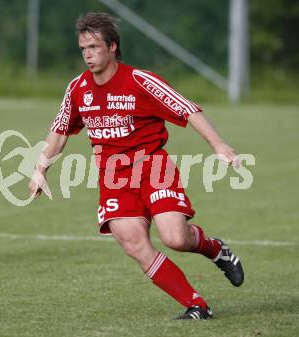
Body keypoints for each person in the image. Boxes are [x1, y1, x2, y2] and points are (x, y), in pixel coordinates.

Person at [29, 12, 244, 320]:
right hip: (113, 178)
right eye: (83, 49)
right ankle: (197, 304)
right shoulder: (78, 88)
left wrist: (218, 145)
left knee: (175, 238)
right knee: (133, 244)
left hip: (152, 168)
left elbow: (187, 109)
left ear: (113, 46)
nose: (88, 55)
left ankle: (215, 249)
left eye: (94, 47)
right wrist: (41, 169)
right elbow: (60, 129)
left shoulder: (139, 81)